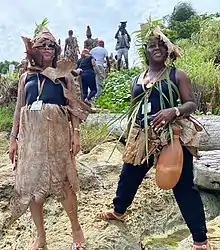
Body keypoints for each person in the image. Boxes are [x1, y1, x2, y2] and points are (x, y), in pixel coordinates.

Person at [96, 25, 212, 250]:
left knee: (183, 186)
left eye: (161, 45)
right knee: (129, 174)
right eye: (152, 45)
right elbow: (133, 108)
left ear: (168, 50)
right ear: (145, 51)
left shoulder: (177, 75)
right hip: (143, 137)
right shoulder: (136, 79)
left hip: (172, 136)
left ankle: (200, 240)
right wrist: (133, 132)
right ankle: (119, 211)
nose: (157, 48)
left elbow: (191, 104)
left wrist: (173, 112)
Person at [7, 28, 90, 250]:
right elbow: (19, 109)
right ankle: (41, 237)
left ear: (56, 50)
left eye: (51, 46)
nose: (47, 49)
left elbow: (73, 108)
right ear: (34, 49)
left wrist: (75, 134)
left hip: (58, 137)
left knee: (64, 183)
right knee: (34, 187)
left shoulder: (64, 75)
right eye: (42, 45)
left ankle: (76, 230)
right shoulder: (26, 77)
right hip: (31, 138)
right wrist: (13, 139)